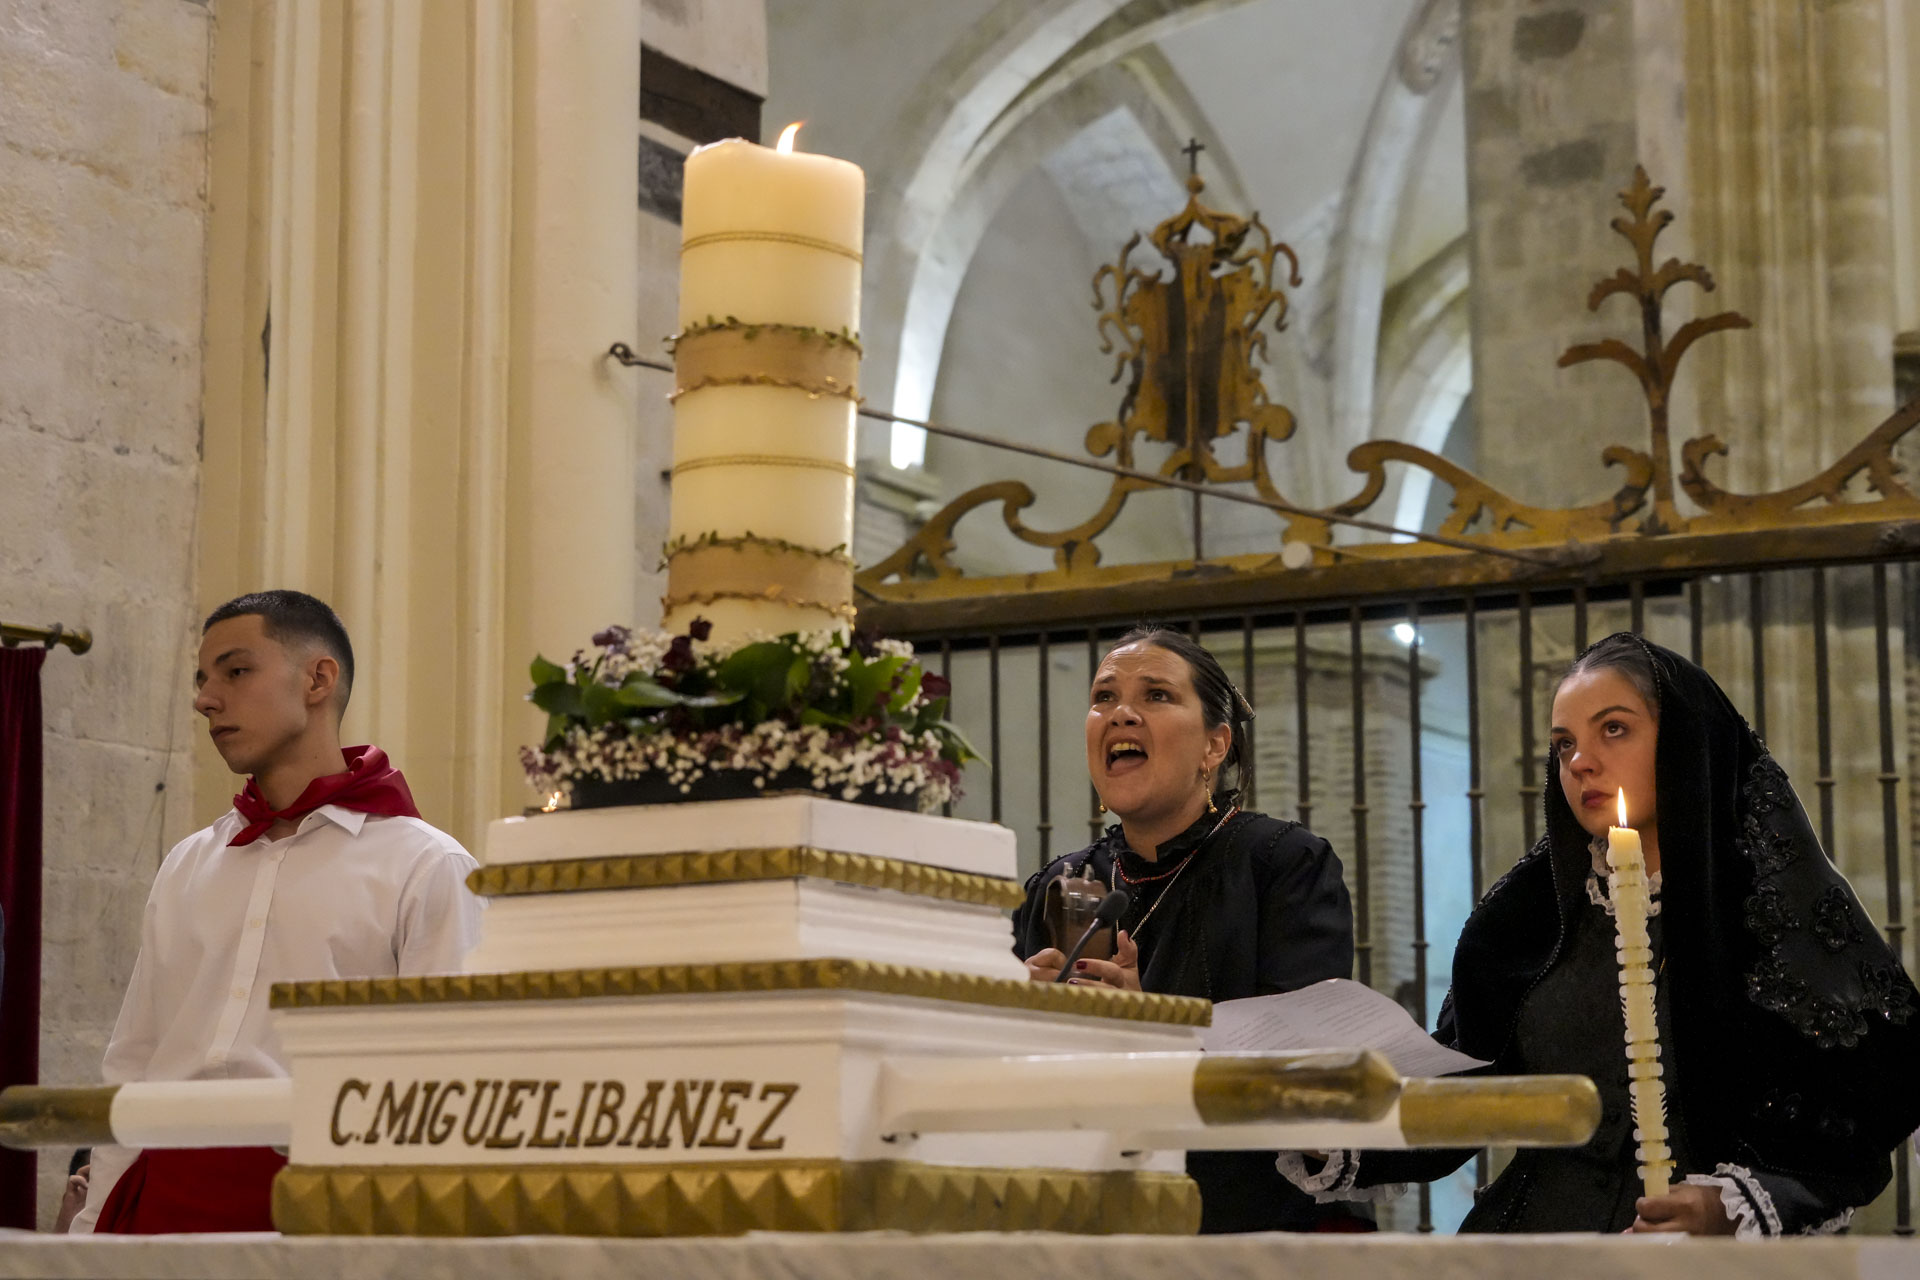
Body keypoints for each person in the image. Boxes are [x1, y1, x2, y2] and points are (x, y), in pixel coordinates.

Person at [1281, 633, 1920, 1235]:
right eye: (1564, 744)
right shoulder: (1522, 924)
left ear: (1684, 743)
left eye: (1613, 730)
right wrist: (1330, 1121)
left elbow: (1853, 1121)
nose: (1581, 762)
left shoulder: (1774, 918)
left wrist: (1731, 1205)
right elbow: (1463, 1099)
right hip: (1530, 1249)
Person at [72, 591, 483, 1234]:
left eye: (236, 672)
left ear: (319, 679)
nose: (207, 699)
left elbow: (446, 1078)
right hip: (163, 1198)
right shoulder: (188, 863)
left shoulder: (426, 866)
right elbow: (135, 1059)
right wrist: (92, 1227)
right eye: (202, 681)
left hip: (327, 1206)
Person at [1010, 625, 1360, 1233]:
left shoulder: (1282, 864)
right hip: (1084, 1215)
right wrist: (1015, 1007)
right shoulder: (1057, 885)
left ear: (1215, 745)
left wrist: (1153, 1030)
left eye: (1156, 696)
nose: (1121, 714)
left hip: (1246, 1224)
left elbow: (1299, 1069)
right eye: (1103, 698)